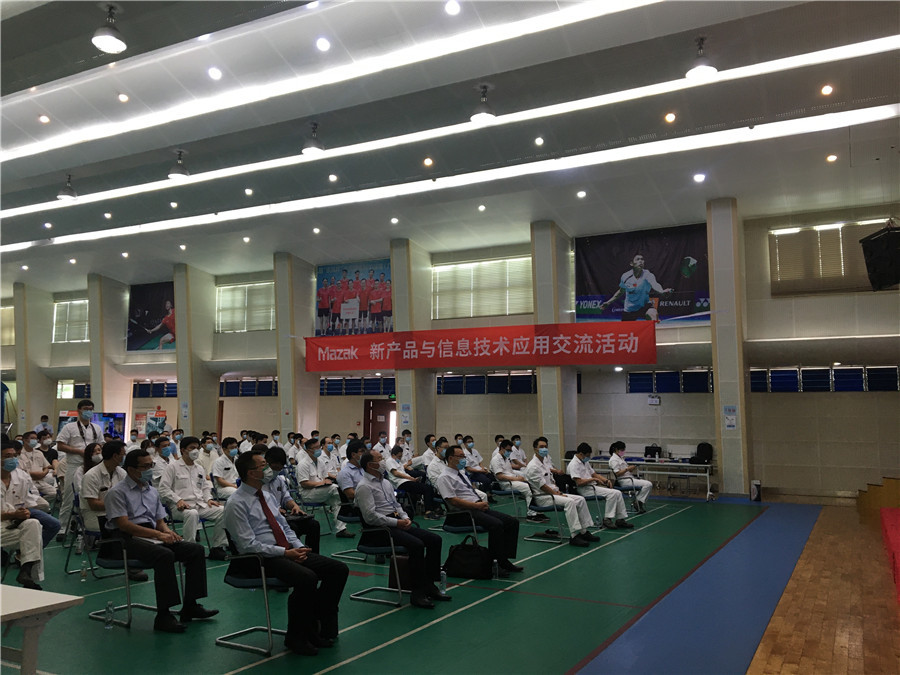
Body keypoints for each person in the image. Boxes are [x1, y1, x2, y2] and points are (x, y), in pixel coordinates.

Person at [225, 451, 349, 656]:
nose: (268, 469)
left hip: (284, 550)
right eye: (263, 465)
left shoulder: (266, 495)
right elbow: (247, 545)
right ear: (251, 473)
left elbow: (284, 527)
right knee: (307, 578)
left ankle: (317, 624)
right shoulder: (236, 503)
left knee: (338, 569)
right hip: (258, 559)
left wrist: (298, 547)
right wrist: (284, 553)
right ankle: (296, 637)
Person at [105, 449, 218, 633]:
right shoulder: (117, 492)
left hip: (151, 535)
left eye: (151, 465)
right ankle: (164, 615)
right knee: (164, 555)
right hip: (125, 540)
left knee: (195, 550)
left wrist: (167, 532)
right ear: (131, 469)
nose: (150, 469)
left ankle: (191, 605)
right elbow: (124, 525)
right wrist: (158, 535)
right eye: (145, 466)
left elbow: (159, 521)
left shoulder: (151, 491)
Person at [355, 449, 451, 609]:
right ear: (370, 465)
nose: (383, 461)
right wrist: (396, 522)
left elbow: (396, 505)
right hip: (379, 530)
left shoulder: (385, 483)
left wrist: (405, 518)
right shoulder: (364, 486)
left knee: (434, 539)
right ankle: (417, 593)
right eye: (380, 459)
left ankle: (429, 585)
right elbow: (370, 517)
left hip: (396, 522)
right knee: (417, 545)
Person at [436, 445, 522, 577]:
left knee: (512, 522)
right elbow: (453, 501)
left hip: (477, 508)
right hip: (462, 513)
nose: (464, 459)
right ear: (451, 458)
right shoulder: (444, 477)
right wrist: (475, 506)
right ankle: (494, 564)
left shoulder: (462, 474)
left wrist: (480, 503)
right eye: (461, 456)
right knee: (496, 525)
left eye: (464, 456)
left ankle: (504, 560)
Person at [158, 436, 228, 560]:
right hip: (179, 507)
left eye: (197, 448)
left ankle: (218, 548)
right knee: (192, 513)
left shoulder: (199, 468)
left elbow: (205, 487)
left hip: (200, 504)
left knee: (223, 511)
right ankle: (189, 551)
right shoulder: (173, 467)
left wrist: (209, 499)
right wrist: (178, 500)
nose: (195, 450)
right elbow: (163, 489)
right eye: (192, 448)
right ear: (183, 450)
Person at [526, 437, 598, 547]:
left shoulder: (544, 463)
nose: (544, 449)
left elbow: (551, 482)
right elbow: (543, 487)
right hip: (542, 497)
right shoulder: (533, 466)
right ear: (535, 449)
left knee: (580, 499)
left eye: (546, 447)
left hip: (553, 494)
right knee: (570, 502)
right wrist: (557, 494)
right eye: (541, 447)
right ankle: (574, 535)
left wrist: (558, 492)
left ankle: (584, 532)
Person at [1, 442, 52, 589]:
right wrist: (13, 514)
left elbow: (26, 502)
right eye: (7, 456)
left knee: (34, 525)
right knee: (33, 536)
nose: (12, 459)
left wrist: (25, 512)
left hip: (11, 525)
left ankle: (26, 572)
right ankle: (27, 574)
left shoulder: (21, 477)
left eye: (14, 456)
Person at [55, 398, 103, 541]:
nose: (88, 411)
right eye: (86, 409)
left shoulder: (96, 428)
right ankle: (62, 527)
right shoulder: (69, 427)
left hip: (92, 466)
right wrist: (79, 451)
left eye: (90, 409)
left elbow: (101, 444)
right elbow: (60, 445)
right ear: (79, 410)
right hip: (74, 465)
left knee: (92, 495)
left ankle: (84, 525)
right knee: (69, 497)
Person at [264, 447, 322, 553]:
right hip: (270, 518)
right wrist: (276, 510)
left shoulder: (279, 481)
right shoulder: (259, 483)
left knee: (313, 525)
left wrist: (294, 506)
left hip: (283, 516)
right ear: (267, 464)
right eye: (274, 468)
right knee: (293, 527)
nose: (276, 471)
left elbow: (286, 498)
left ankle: (313, 555)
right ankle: (298, 554)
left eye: (279, 469)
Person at [568, 443, 633, 529]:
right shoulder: (573, 464)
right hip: (583, 489)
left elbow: (594, 474)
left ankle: (620, 519)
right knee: (612, 494)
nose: (588, 457)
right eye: (587, 456)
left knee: (617, 493)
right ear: (581, 454)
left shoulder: (585, 462)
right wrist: (593, 479)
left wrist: (606, 480)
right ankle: (607, 519)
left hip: (591, 487)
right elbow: (579, 482)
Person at [297, 438, 353, 538]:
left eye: (319, 446)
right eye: (316, 448)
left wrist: (325, 482)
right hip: (308, 494)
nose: (319, 449)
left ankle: (341, 529)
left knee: (338, 501)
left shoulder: (320, 462)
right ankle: (352, 504)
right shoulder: (303, 464)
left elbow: (324, 478)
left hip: (321, 492)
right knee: (335, 488)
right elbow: (304, 484)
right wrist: (321, 483)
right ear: (309, 450)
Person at [599, 253, 674, 321]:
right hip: (630, 309)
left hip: (645, 306)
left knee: (653, 315)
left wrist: (662, 291)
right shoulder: (625, 277)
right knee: (626, 330)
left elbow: (655, 284)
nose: (640, 261)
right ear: (631, 263)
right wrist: (608, 302)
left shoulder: (648, 275)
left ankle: (654, 327)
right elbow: (621, 291)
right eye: (637, 259)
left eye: (642, 259)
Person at [490, 439, 547, 523]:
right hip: (506, 484)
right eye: (508, 450)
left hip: (512, 480)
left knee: (533, 485)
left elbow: (510, 472)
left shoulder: (506, 459)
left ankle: (538, 512)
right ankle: (531, 514)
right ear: (502, 448)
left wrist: (521, 477)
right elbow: (500, 476)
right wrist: (517, 479)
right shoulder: (496, 459)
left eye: (510, 450)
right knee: (528, 488)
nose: (509, 452)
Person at [386, 445, 441, 519]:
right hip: (401, 483)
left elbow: (403, 472)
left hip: (407, 481)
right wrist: (411, 478)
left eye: (401, 456)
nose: (400, 458)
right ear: (393, 455)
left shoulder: (398, 462)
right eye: (399, 456)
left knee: (429, 487)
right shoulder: (389, 461)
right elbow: (396, 473)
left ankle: (435, 508)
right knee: (427, 488)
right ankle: (428, 512)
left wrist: (413, 478)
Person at [609, 441, 652, 512]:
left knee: (645, 487)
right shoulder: (613, 460)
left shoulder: (621, 458)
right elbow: (617, 473)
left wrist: (630, 469)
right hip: (624, 481)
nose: (623, 451)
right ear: (616, 449)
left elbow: (625, 469)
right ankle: (638, 502)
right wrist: (627, 469)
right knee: (648, 484)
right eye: (622, 450)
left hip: (629, 479)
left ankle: (638, 502)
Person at [19, 430, 57, 507]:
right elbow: (21, 471)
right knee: (37, 500)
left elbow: (46, 467)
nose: (35, 440)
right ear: (25, 440)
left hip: (41, 480)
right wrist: (34, 474)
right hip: (29, 482)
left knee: (54, 493)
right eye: (32, 438)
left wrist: (43, 473)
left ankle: (39, 505)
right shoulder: (19, 454)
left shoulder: (39, 453)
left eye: (36, 439)